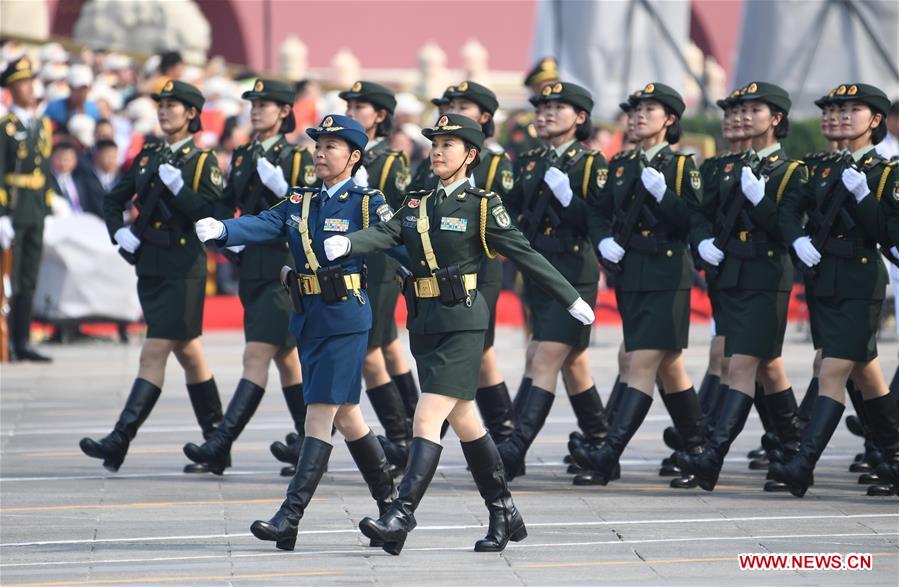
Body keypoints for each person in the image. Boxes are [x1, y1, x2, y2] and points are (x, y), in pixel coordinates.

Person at [322, 113, 595, 554]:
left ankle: (400, 515)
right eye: (434, 144)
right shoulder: (418, 202)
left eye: (448, 145)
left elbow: (525, 254)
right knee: (467, 421)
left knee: (427, 417)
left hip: (464, 323)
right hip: (425, 323)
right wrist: (350, 243)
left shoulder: (482, 206)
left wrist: (570, 298)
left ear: (470, 155)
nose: (437, 151)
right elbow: (387, 232)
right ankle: (504, 510)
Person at [193, 114, 397, 551]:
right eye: (317, 146)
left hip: (346, 317)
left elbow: (395, 239)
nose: (320, 153)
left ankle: (290, 516)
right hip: (309, 316)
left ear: (354, 157)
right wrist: (225, 229)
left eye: (331, 147)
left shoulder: (366, 202)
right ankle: (393, 507)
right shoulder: (301, 199)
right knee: (348, 416)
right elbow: (264, 223)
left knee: (318, 414)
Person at [80, 80, 225, 472]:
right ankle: (217, 442)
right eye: (160, 105)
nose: (163, 111)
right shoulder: (149, 155)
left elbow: (213, 217)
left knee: (154, 351)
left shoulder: (202, 162)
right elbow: (113, 199)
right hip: (151, 265)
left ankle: (119, 440)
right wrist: (118, 231)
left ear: (191, 114)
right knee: (189, 352)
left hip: (184, 268)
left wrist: (180, 189)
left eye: (172, 105)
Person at [573, 83, 704, 486]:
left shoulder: (680, 167)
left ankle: (607, 455)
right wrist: (603, 240)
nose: (638, 116)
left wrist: (664, 194)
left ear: (670, 120)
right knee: (668, 366)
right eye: (635, 110)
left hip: (667, 274)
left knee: (640, 362)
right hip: (631, 274)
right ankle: (698, 450)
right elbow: (598, 213)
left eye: (649, 110)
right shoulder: (621, 164)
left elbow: (694, 220)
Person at [182, 79, 315, 476]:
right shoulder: (242, 155)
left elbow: (309, 208)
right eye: (253, 104)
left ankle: (220, 443)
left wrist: (282, 187)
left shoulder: (297, 157)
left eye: (265, 105)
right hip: (251, 266)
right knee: (287, 359)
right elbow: (227, 204)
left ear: (285, 112)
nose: (256, 111)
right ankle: (309, 445)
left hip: (282, 265)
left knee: (256, 355)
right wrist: (227, 238)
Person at [773, 83, 899, 498]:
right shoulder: (820, 167)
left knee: (831, 370)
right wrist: (797, 238)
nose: (842, 116)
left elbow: (888, 233)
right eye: (837, 110)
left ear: (875, 120)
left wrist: (863, 195)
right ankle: (894, 456)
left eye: (853, 110)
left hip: (861, 281)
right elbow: (788, 209)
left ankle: (802, 464)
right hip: (824, 279)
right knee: (866, 374)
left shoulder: (887, 173)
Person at [682, 82, 806, 492]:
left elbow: (786, 227)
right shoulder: (721, 167)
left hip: (766, 276)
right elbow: (699, 213)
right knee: (767, 367)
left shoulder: (790, 171)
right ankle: (793, 452)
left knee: (740, 366)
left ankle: (711, 457)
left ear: (776, 118)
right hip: (730, 275)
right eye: (737, 111)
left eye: (753, 110)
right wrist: (702, 241)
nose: (742, 117)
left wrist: (761, 200)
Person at [499, 81, 609, 480]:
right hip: (539, 270)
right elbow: (511, 210)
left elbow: (598, 221)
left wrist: (568, 199)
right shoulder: (530, 160)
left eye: (556, 108)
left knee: (544, 356)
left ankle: (513, 450)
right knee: (571, 362)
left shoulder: (591, 164)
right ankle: (601, 445)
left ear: (579, 117)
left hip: (574, 272)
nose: (544, 114)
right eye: (541, 108)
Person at [406, 81, 518, 447]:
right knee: (458, 361)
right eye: (449, 104)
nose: (451, 110)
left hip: (479, 269)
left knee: (480, 353)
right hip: (437, 269)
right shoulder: (436, 160)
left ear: (484, 117)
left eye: (463, 106)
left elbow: (502, 220)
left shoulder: (495, 162)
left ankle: (504, 435)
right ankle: (436, 434)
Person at [339, 81, 418, 470]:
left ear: (380, 116)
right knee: (385, 346)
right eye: (349, 106)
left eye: (360, 107)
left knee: (370, 351)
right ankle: (413, 427)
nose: (351, 112)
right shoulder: (342, 154)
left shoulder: (390, 160)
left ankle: (401, 436)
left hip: (379, 265)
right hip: (347, 261)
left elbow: (400, 216)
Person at [0, 56, 54, 362]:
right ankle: (6, 340)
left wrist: (48, 204)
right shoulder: (5, 127)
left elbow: (44, 169)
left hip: (34, 208)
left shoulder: (40, 125)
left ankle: (22, 341)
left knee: (30, 276)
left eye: (30, 81)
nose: (29, 87)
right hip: (14, 208)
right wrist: (1, 214)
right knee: (11, 277)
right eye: (22, 82)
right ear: (10, 88)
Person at [75, 138, 120, 217]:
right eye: (108, 157)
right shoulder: (85, 179)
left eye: (114, 157)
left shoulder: (120, 177)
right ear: (97, 156)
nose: (112, 161)